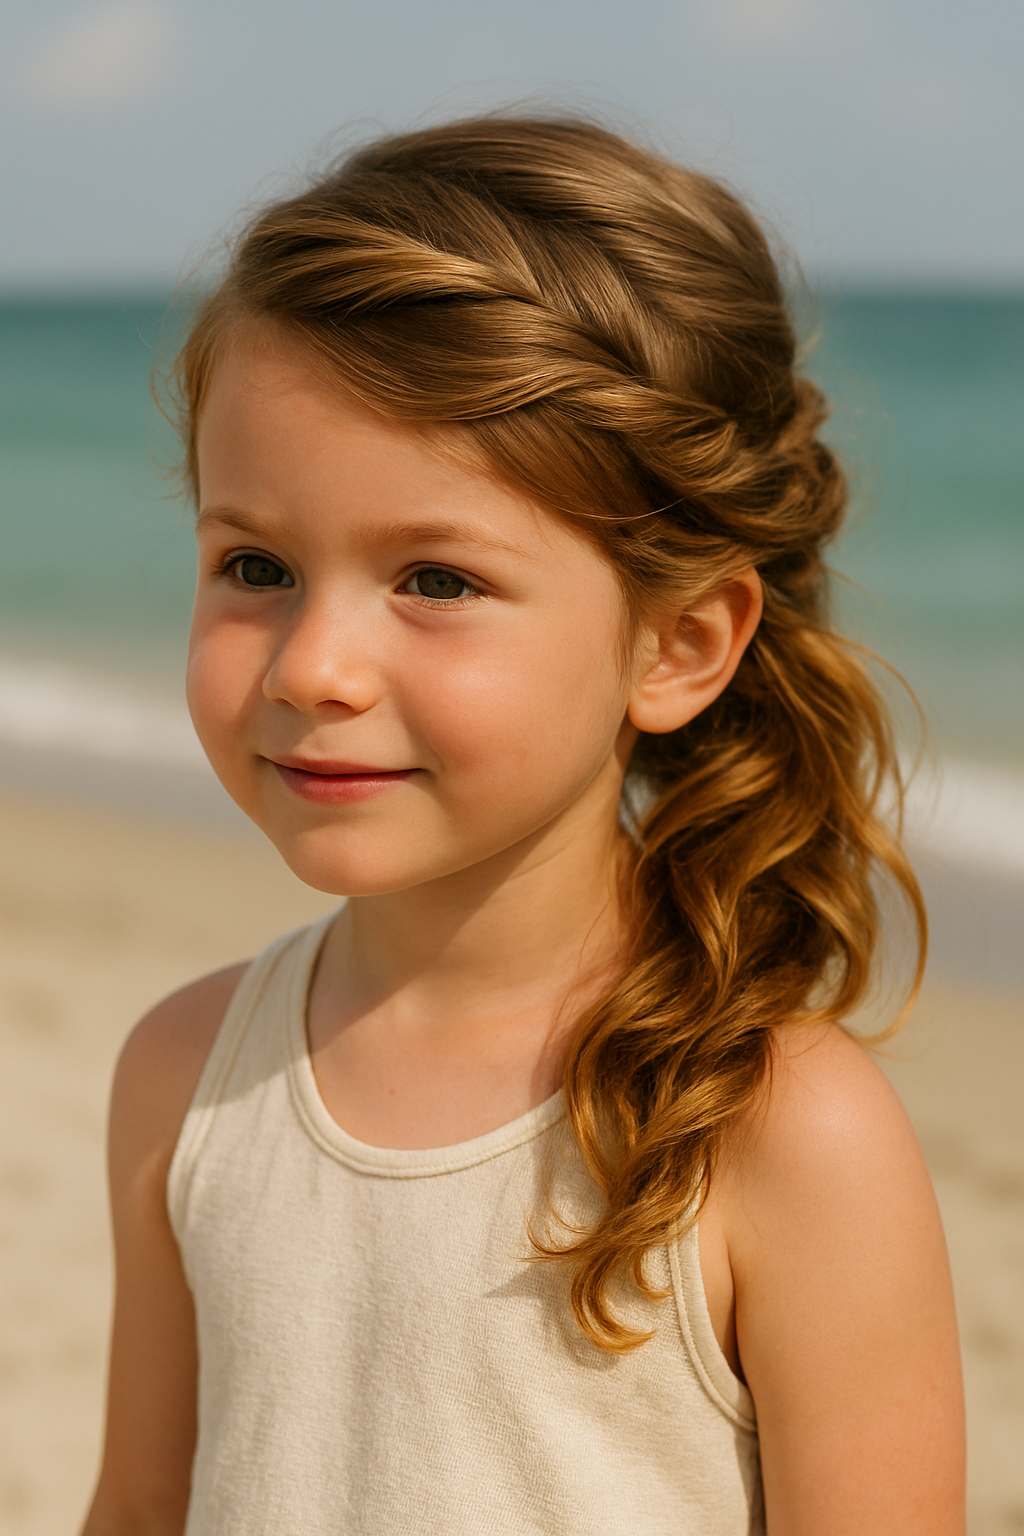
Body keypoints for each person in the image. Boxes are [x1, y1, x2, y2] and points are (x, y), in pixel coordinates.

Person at [81, 116, 965, 1535]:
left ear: (678, 642)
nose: (314, 666)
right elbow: (139, 1507)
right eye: (255, 564)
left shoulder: (774, 1134)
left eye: (434, 578)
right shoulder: (184, 1080)